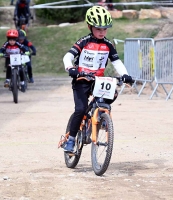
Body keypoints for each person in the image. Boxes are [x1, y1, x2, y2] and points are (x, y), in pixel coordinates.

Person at [62, 6, 132, 153]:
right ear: (90, 26)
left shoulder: (108, 45)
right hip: (81, 79)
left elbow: (116, 62)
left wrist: (125, 75)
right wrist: (71, 68)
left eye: (105, 29)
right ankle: (71, 139)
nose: (102, 32)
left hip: (97, 81)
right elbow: (68, 56)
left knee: (112, 94)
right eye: (98, 29)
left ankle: (101, 117)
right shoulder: (84, 41)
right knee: (80, 109)